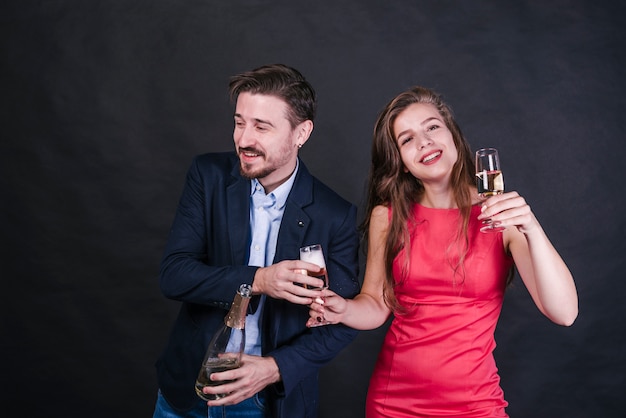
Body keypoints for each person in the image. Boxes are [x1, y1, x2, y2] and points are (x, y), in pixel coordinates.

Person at [307, 86, 578, 417]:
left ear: (452, 136)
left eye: (432, 127)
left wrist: (531, 227)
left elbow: (564, 313)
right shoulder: (388, 216)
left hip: (476, 404)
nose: (423, 142)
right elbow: (376, 306)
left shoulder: (499, 215)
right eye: (407, 140)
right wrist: (342, 309)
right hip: (394, 404)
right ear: (402, 163)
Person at [153, 64, 361, 418]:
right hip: (186, 394)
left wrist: (274, 368)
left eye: (261, 127)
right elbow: (174, 275)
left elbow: (342, 321)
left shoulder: (335, 215)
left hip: (267, 402)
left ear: (302, 132)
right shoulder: (207, 176)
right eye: (239, 122)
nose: (244, 139)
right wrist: (259, 279)